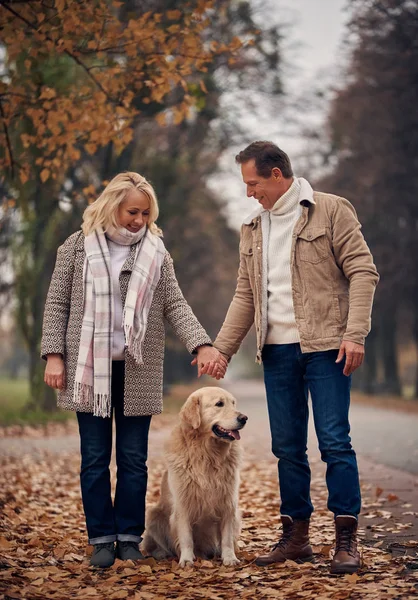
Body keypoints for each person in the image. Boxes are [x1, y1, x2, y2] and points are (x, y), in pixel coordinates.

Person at [41, 172, 227, 568]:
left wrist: (202, 343)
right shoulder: (75, 248)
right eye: (131, 211)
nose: (138, 220)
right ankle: (100, 540)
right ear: (112, 206)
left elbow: (175, 304)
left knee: (132, 459)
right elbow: (57, 305)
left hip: (136, 369)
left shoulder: (156, 253)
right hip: (89, 371)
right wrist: (54, 354)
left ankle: (128, 537)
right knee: (94, 459)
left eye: (145, 213)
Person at [210, 141, 379, 574]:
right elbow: (245, 295)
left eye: (253, 183)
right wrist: (222, 349)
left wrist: (355, 334)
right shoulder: (252, 227)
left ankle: (346, 540)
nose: (250, 192)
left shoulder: (331, 210)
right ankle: (296, 536)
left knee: (334, 443)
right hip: (278, 352)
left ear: (277, 175)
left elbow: (362, 270)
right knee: (287, 448)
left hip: (327, 346)